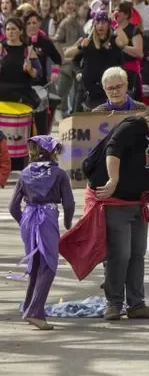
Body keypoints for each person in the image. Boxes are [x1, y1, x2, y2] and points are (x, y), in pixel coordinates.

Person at [93, 90, 149, 321]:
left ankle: (136, 303)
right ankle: (114, 303)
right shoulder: (133, 126)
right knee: (119, 254)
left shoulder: (146, 134)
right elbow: (113, 150)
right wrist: (113, 180)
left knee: (137, 254)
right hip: (118, 202)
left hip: (136, 202)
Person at [8, 135, 74, 330]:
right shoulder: (60, 175)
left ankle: (29, 306)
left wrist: (25, 224)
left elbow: (13, 207)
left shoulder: (24, 173)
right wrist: (68, 223)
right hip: (47, 217)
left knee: (35, 263)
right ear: (53, 152)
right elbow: (69, 203)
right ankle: (35, 312)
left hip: (29, 217)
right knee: (49, 265)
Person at [64, 10, 128, 111]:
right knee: (78, 117)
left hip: (107, 89)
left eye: (103, 22)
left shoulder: (114, 39)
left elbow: (124, 42)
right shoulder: (87, 40)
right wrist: (80, 48)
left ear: (108, 24)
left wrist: (115, 24)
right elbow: (68, 54)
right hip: (86, 88)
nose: (100, 25)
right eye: (97, 22)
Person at [0, 16, 39, 111]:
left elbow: (38, 75)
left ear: (21, 31)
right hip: (2, 91)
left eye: (13, 29)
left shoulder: (28, 50)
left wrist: (30, 70)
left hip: (22, 91)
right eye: (8, 29)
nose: (10, 32)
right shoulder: (1, 48)